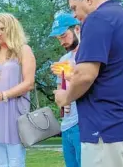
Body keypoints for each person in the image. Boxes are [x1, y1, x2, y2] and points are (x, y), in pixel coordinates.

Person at [54, 0, 123, 167]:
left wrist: (65, 97)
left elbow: (85, 75)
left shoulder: (96, 19)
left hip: (104, 133)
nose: (74, 15)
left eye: (74, 7)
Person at [0, 12, 36, 167]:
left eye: (2, 29)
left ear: (11, 29)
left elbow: (29, 83)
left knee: (15, 161)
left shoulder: (23, 50)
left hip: (15, 111)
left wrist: (4, 95)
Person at [49, 13, 81, 167]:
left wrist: (71, 77)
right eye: (58, 38)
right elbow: (58, 92)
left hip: (83, 123)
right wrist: (62, 102)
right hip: (66, 124)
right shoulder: (63, 61)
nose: (62, 41)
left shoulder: (88, 55)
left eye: (64, 35)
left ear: (77, 29)